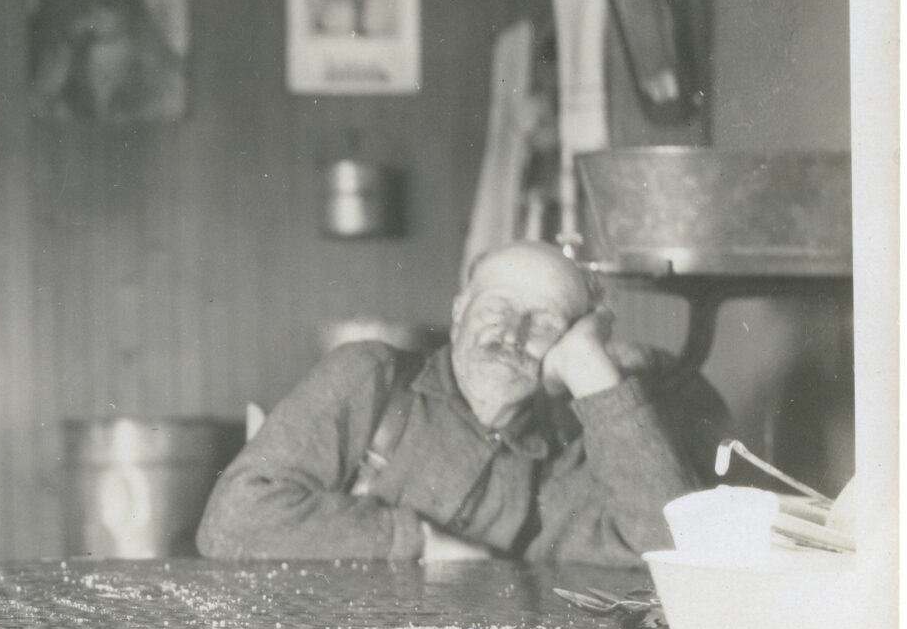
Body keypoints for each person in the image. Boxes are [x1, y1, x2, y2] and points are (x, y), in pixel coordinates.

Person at [197, 240, 698, 567]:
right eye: (496, 307)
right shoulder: (371, 378)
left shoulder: (565, 451)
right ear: (459, 314)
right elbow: (230, 521)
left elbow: (674, 551)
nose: (512, 334)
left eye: (544, 321)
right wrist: (418, 544)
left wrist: (593, 370)